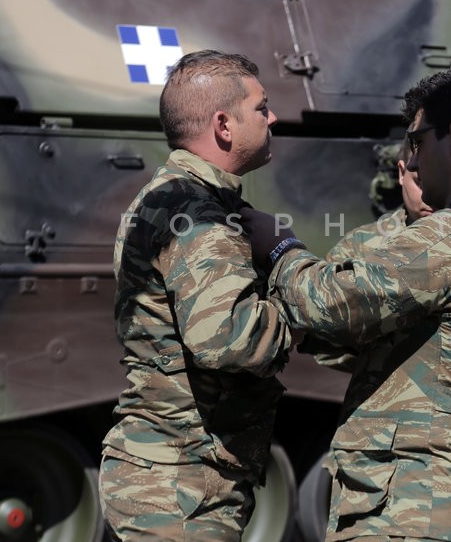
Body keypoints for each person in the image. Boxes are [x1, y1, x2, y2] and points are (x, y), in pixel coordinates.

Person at [245, 64, 451, 541]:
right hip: (449, 500)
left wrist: (282, 247)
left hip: (417, 506)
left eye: (416, 141)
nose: (410, 157)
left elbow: (326, 303)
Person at [99, 50, 301, 541]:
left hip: (172, 474)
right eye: (261, 107)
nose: (273, 117)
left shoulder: (170, 195)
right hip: (181, 484)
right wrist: (296, 292)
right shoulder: (199, 213)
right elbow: (226, 338)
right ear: (224, 125)